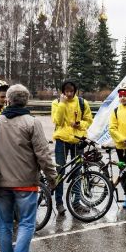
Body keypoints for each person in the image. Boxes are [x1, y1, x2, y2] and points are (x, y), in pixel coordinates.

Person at [0, 84, 57, 252]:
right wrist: (52, 177)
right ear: (26, 101)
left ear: (8, 100)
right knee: (26, 223)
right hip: (26, 182)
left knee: (4, 223)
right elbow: (43, 154)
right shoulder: (32, 123)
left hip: (0, 183)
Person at [51, 80, 93, 215]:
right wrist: (62, 104)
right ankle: (59, 203)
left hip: (77, 140)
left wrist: (80, 124)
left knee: (77, 173)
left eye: (71, 91)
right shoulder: (56, 103)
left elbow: (89, 120)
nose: (69, 94)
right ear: (62, 91)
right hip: (61, 141)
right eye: (66, 91)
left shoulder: (82, 102)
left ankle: (76, 203)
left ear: (75, 91)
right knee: (60, 172)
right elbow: (57, 121)